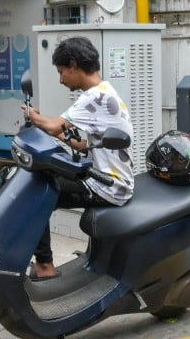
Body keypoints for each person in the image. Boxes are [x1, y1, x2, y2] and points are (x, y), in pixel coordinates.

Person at [22, 36, 134, 279]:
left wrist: (32, 116)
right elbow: (86, 145)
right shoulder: (106, 91)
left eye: (62, 72)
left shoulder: (95, 97)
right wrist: (62, 137)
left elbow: (53, 126)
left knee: (37, 191)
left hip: (107, 186)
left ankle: (44, 265)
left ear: (74, 65)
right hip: (109, 180)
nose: (61, 79)